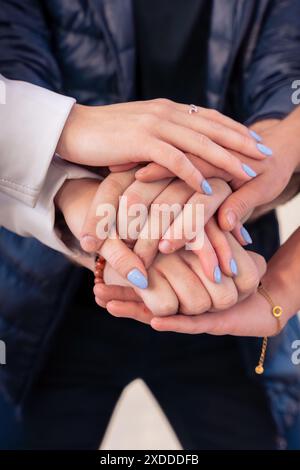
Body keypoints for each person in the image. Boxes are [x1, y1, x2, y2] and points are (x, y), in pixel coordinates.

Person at [0, 0, 299, 449]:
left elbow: (283, 83)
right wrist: (75, 173)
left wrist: (243, 170)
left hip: (223, 288)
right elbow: (16, 73)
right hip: (49, 302)